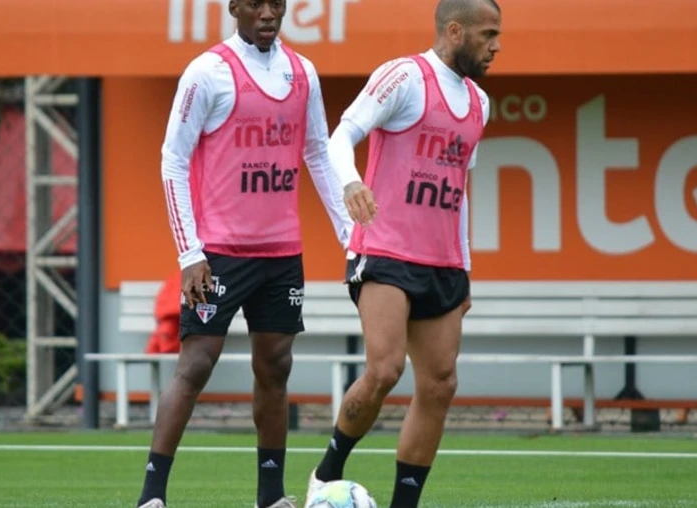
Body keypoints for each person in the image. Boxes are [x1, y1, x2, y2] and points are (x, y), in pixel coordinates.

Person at [135, 0, 354, 507]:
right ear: (233, 7)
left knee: (275, 368)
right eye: (254, 4)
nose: (267, 14)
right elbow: (173, 160)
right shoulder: (208, 72)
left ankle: (271, 497)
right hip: (219, 254)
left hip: (281, 254)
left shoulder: (303, 73)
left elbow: (318, 153)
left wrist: (349, 233)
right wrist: (190, 252)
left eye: (276, 4)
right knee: (196, 365)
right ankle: (152, 496)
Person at [303, 0, 501, 507]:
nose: (496, 45)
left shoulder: (480, 103)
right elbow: (340, 137)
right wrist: (350, 183)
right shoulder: (405, 77)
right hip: (386, 251)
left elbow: (458, 194)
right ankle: (326, 475)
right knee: (385, 369)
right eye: (487, 34)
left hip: (443, 264)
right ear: (455, 31)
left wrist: (466, 269)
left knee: (440, 384)